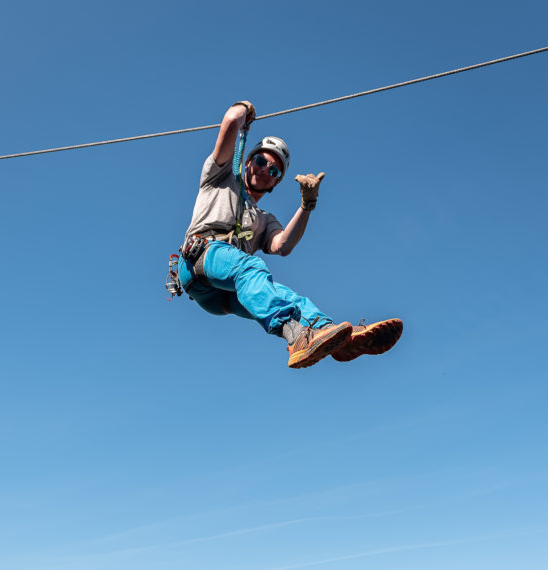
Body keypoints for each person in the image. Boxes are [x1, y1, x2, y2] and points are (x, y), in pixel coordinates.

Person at [172, 100, 402, 369]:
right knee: (251, 266)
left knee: (291, 298)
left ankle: (336, 337)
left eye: (273, 171)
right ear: (247, 161)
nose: (264, 170)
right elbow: (232, 120)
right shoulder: (220, 177)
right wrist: (244, 108)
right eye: (260, 161)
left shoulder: (264, 219)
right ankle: (296, 337)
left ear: (276, 182)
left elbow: (283, 245)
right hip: (200, 259)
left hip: (222, 294)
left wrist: (307, 205)